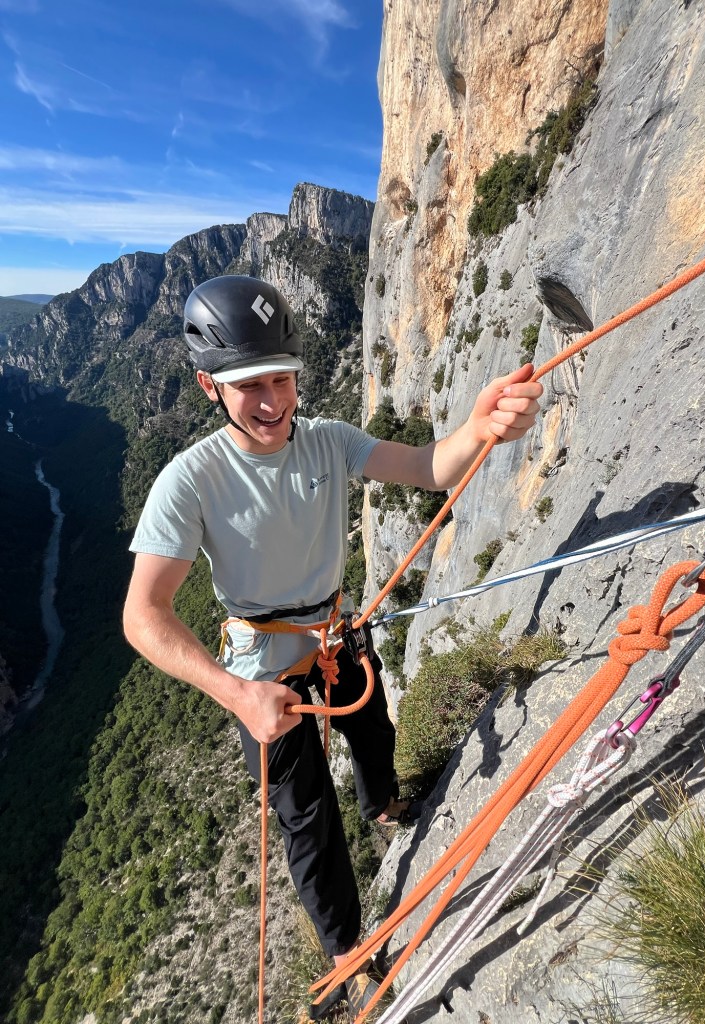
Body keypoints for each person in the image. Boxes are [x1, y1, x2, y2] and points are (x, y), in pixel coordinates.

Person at [122, 275, 543, 1020]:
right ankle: (348, 953)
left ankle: (385, 803)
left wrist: (479, 429)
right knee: (306, 815)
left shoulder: (328, 440)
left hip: (335, 632)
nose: (272, 402)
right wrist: (238, 695)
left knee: (372, 728)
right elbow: (142, 615)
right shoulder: (190, 481)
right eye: (248, 386)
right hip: (261, 666)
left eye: (282, 379)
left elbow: (424, 468)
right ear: (209, 386)